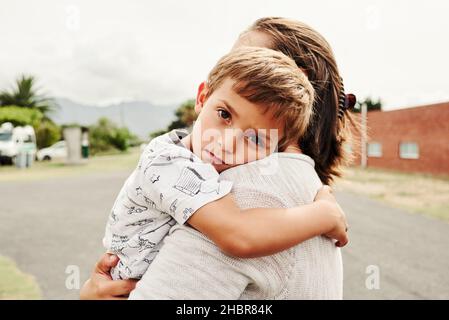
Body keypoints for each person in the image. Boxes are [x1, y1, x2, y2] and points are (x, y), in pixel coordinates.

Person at [81, 17, 356, 300]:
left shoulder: (253, 189)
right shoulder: (171, 163)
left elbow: (240, 233)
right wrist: (322, 214)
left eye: (256, 138)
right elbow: (239, 232)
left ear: (290, 82)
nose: (226, 142)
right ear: (204, 96)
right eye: (224, 114)